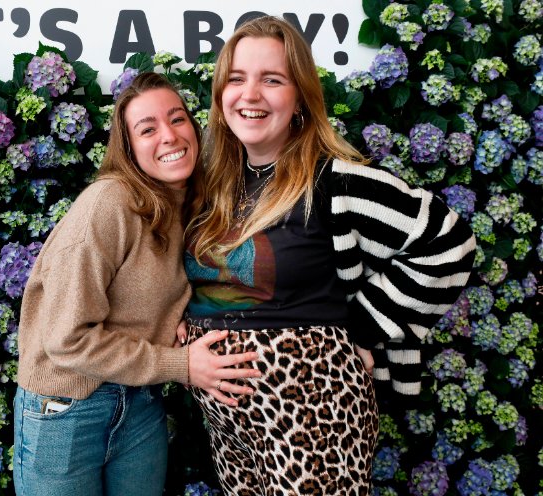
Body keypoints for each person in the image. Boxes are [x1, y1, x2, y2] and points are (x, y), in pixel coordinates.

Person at [179, 16, 476, 495]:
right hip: (227, 422)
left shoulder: (334, 181)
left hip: (313, 413)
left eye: (271, 80)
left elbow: (448, 241)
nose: (249, 94)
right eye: (236, 79)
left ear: (299, 97)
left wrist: (363, 328)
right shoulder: (215, 185)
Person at [13, 72, 262, 496]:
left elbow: (152, 288)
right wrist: (181, 364)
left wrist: (179, 317)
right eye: (147, 129)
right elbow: (67, 339)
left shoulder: (189, 205)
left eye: (177, 119)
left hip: (140, 400)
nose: (169, 136)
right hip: (69, 407)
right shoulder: (109, 204)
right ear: (129, 149)